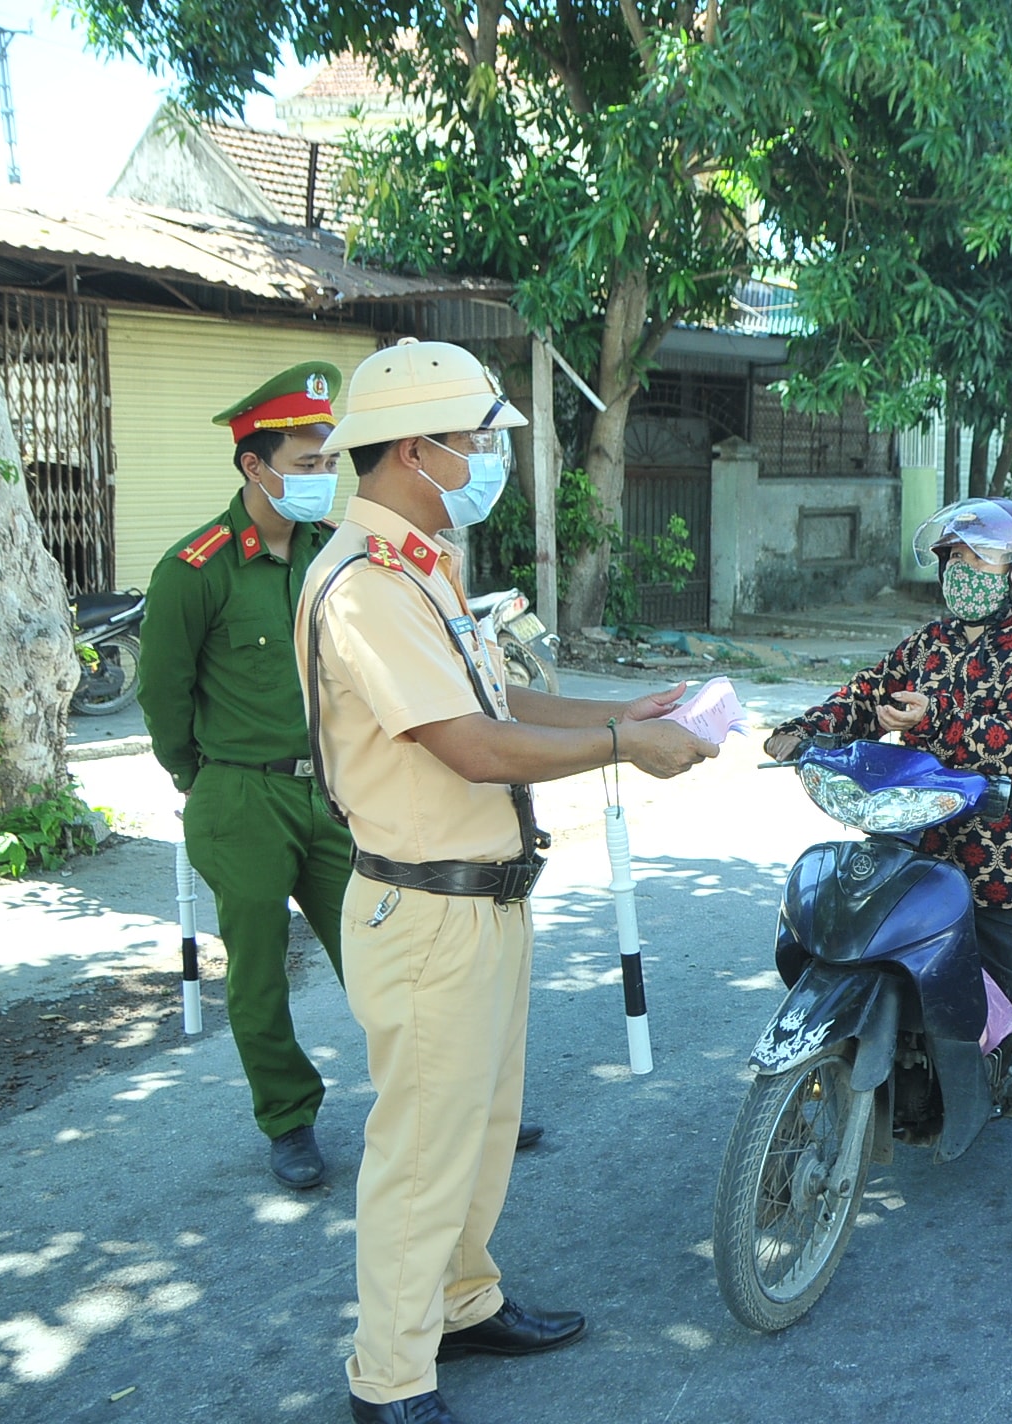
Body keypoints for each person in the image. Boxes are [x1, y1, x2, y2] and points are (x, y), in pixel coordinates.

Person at [301, 339, 717, 1424]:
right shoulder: (364, 586)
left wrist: (639, 712)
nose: (485, 461)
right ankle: (387, 1377)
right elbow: (471, 748)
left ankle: (460, 1299)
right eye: (474, 441)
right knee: (420, 1150)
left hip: (478, 896)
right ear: (410, 450)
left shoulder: (421, 569)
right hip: (424, 903)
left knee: (480, 1125)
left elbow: (510, 707)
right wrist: (628, 744)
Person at [761, 498, 1012, 1226]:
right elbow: (868, 693)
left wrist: (933, 720)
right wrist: (807, 728)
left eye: (977, 561)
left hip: (1002, 857)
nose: (961, 574)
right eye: (953, 560)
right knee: (844, 941)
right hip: (917, 843)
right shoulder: (929, 643)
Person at [137, 362, 356, 1190]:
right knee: (259, 975)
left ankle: (444, 1103)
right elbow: (163, 695)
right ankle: (289, 1120)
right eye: (306, 465)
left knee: (383, 952)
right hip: (241, 796)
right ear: (252, 466)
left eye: (328, 463)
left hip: (332, 793)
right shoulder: (196, 569)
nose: (321, 479)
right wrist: (202, 776)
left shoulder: (334, 556)